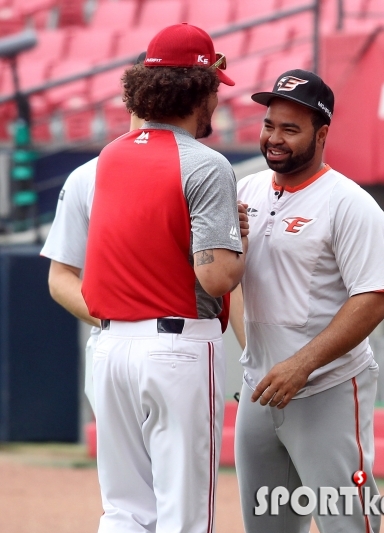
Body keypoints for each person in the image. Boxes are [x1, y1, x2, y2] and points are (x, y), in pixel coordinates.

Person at [81, 23, 247, 533]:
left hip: (109, 349)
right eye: (215, 88)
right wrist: (241, 241)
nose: (217, 101)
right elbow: (217, 278)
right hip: (177, 349)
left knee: (125, 511)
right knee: (185, 514)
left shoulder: (111, 154)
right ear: (200, 89)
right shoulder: (206, 163)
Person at [231, 69, 384, 533]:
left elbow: (373, 299)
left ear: (322, 134)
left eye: (290, 129)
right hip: (262, 393)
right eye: (269, 125)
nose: (274, 139)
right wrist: (259, 360)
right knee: (265, 527)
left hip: (328, 389)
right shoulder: (245, 190)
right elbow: (237, 284)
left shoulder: (350, 203)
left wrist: (298, 365)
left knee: (347, 525)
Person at [40, 54, 146, 412]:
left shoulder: (203, 170)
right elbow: (61, 276)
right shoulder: (87, 175)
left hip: (183, 340)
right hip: (110, 342)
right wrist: (116, 317)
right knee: (120, 469)